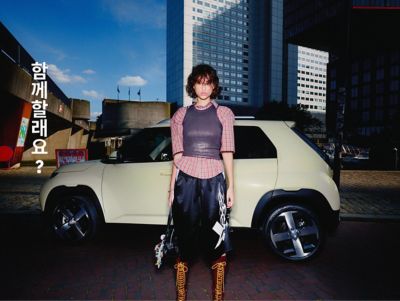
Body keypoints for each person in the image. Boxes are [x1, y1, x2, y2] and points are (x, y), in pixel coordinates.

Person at [168, 64, 235, 301]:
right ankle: (181, 296)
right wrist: (170, 190)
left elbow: (227, 151)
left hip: (214, 179)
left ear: (214, 86)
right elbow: (177, 158)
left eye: (208, 83)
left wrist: (230, 186)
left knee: (216, 237)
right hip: (185, 180)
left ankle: (218, 296)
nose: (204, 87)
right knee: (183, 237)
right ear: (192, 85)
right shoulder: (180, 116)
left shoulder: (224, 113)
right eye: (199, 82)